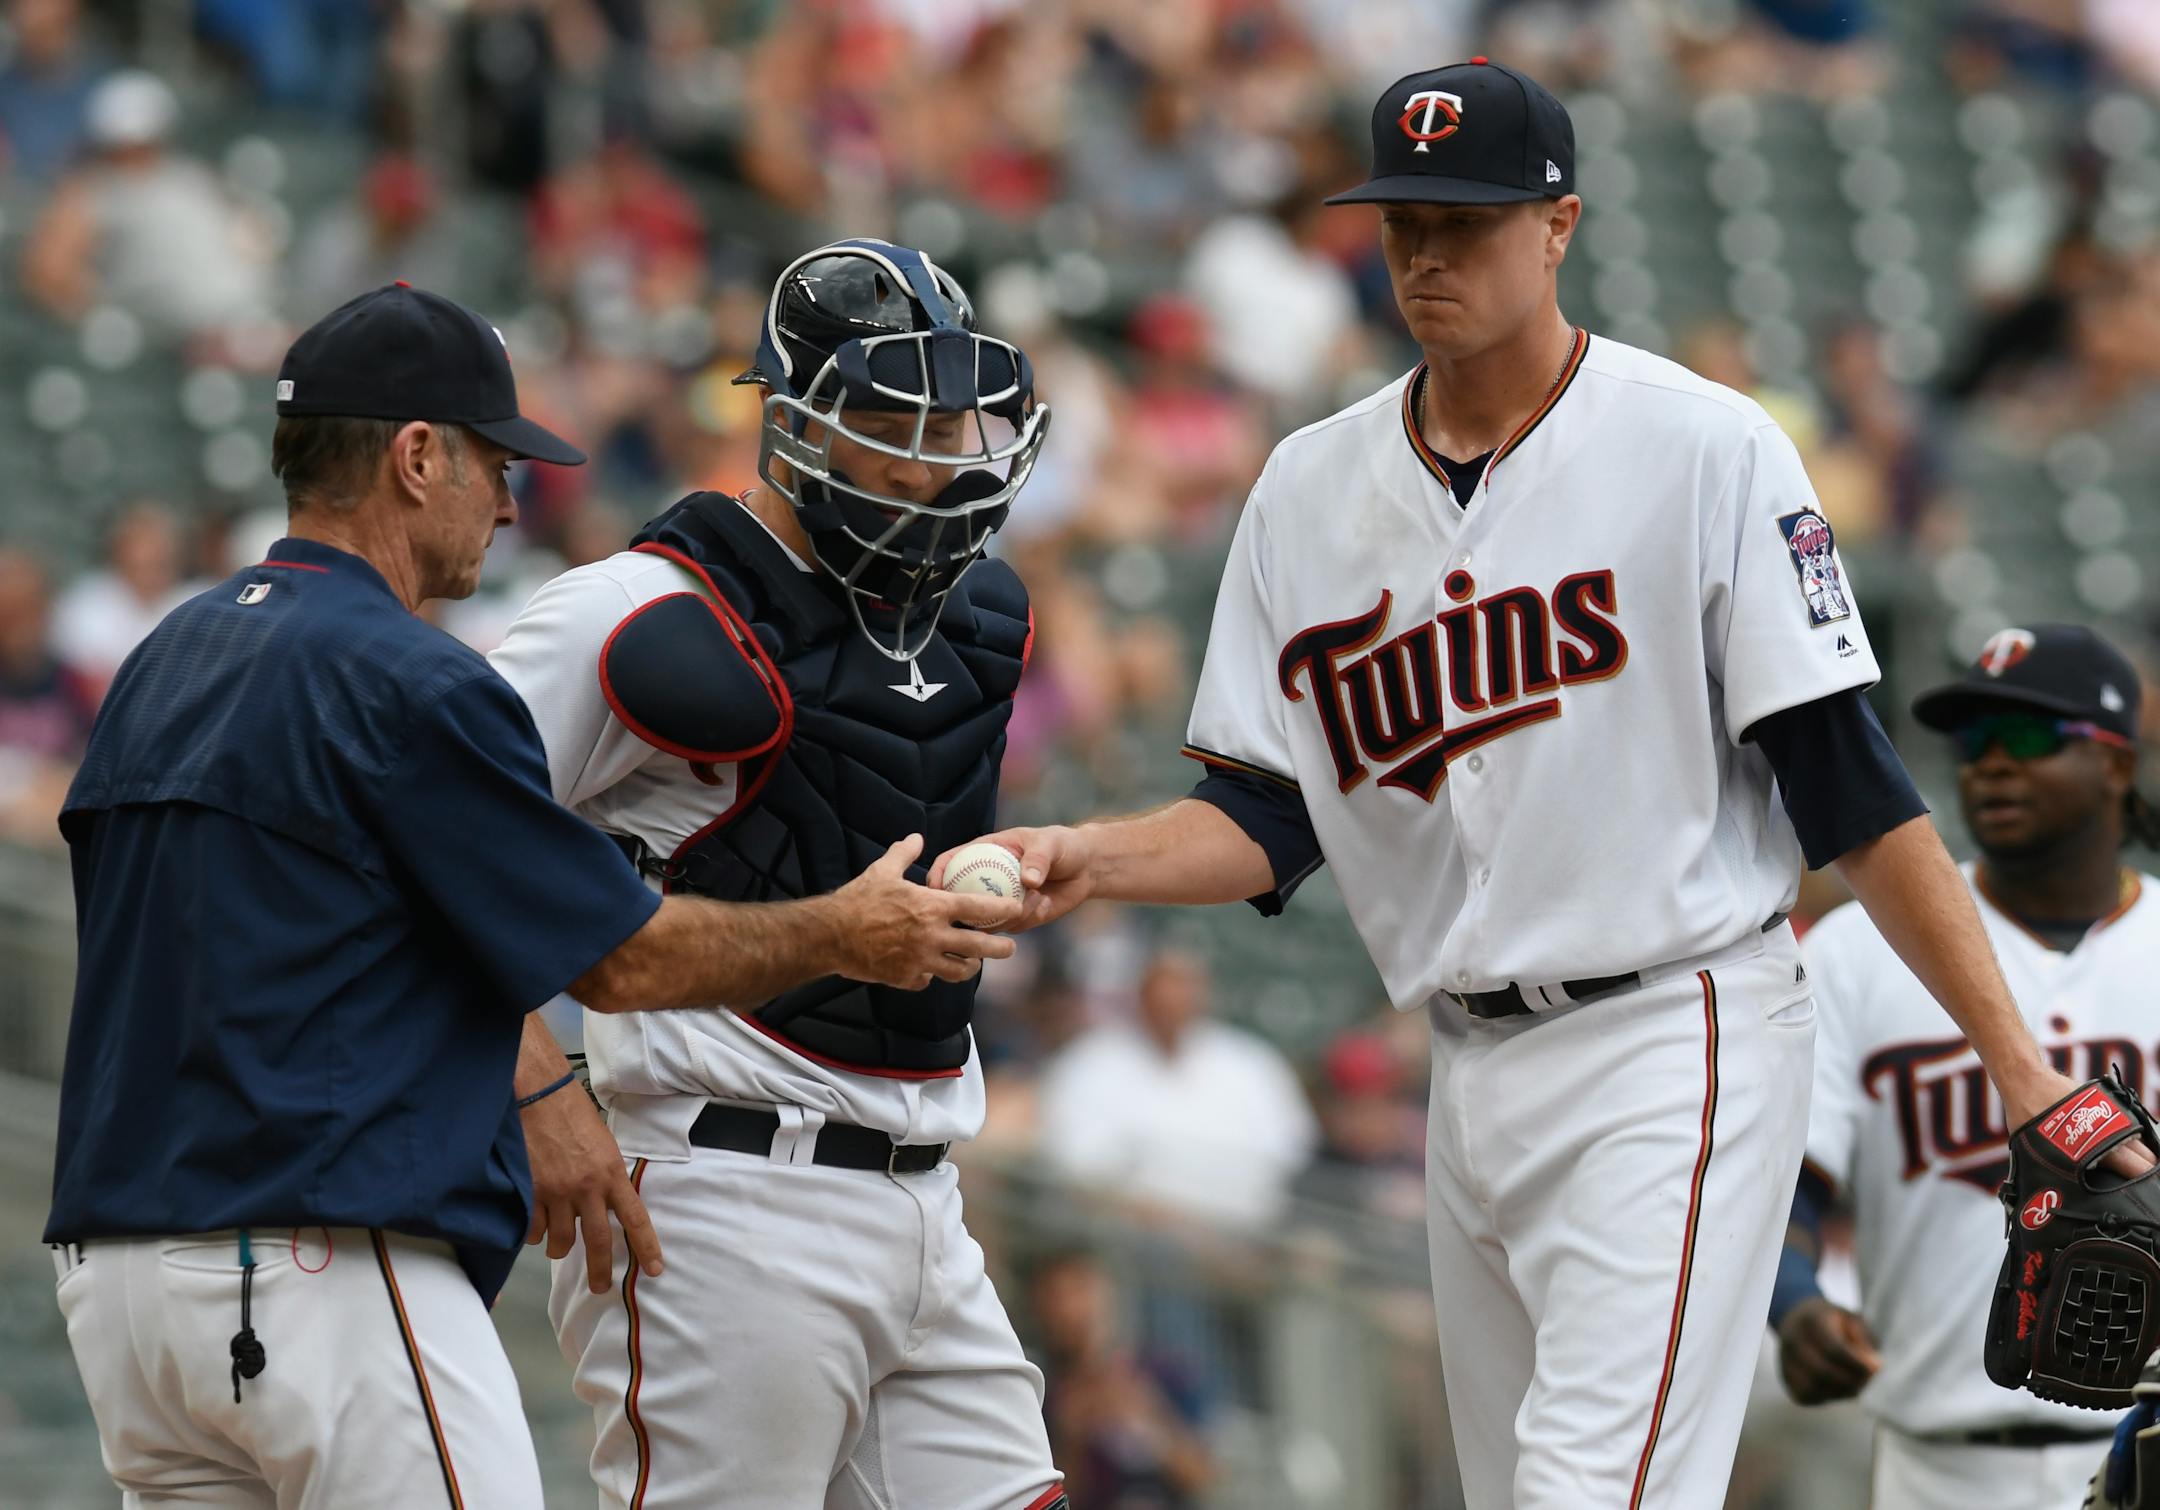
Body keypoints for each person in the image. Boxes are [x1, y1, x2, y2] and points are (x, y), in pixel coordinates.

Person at [938, 58, 2134, 1508]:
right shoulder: (1308, 490)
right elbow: (1271, 815)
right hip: (1469, 1064)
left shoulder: (1702, 445)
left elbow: (1851, 787)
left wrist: (2019, 1070)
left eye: (1467, 220)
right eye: (1403, 224)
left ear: (1558, 224)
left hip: (1672, 1031)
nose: (1428, 255)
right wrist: (1095, 856)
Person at [43, 282, 1017, 1507]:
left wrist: (545, 1081)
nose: (511, 502)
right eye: (493, 464)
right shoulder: (406, 679)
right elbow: (618, 958)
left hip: (120, 1272)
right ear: (414, 457)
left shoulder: (164, 659)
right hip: (315, 1255)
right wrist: (843, 931)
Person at [488, 239, 1070, 1510]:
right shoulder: (640, 607)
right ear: (796, 421)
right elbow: (418, 834)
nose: (938, 449)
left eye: (955, 410)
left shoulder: (980, 616)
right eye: (890, 416)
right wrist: (536, 1088)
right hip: (720, 1187)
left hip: (927, 1187)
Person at [1772, 623, 2160, 1509]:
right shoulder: (1862, 951)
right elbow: (1788, 1183)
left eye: (2025, 739)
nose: (1989, 764)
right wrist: (1795, 1305)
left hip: (2151, 1441)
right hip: (1932, 1463)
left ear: (2114, 763)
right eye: (1973, 742)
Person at [1034, 945, 1317, 1232]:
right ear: (1141, 996)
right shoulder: (1089, 1062)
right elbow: (1077, 1163)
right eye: (1164, 993)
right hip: (1128, 1232)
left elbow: (1291, 1149)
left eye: (1185, 991)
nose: (1174, 1004)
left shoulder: (1252, 1063)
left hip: (1244, 1236)